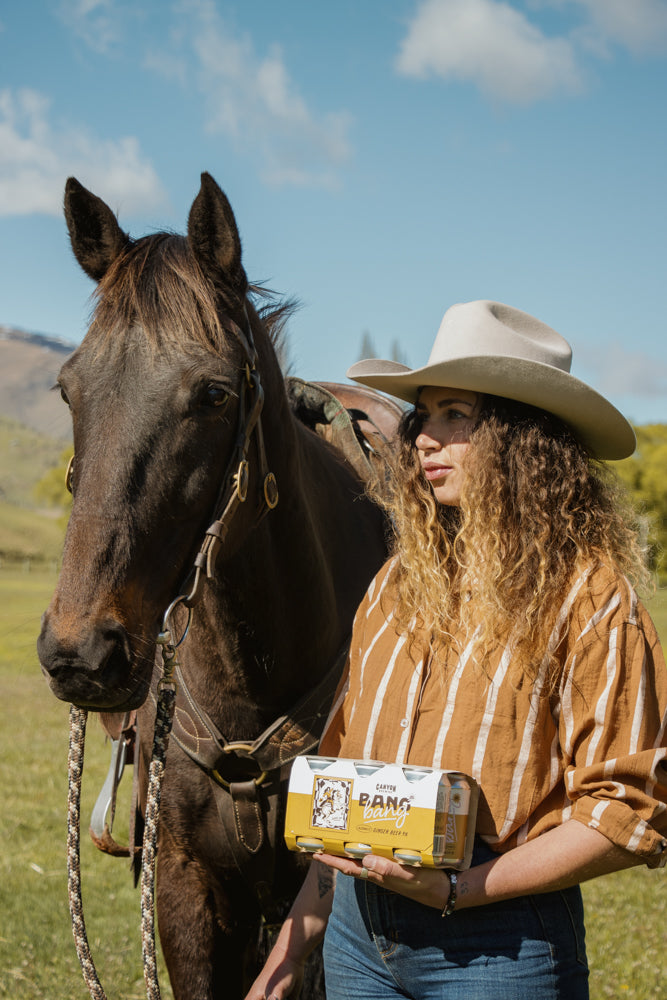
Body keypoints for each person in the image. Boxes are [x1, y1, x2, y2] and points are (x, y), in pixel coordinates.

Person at [246, 300, 667, 1000]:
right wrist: (294, 949)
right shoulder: (393, 585)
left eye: (453, 416)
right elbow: (349, 787)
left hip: (497, 946)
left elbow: (625, 811)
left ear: (522, 439)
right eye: (421, 419)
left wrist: (457, 890)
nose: (421, 440)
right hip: (357, 938)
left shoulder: (588, 601)